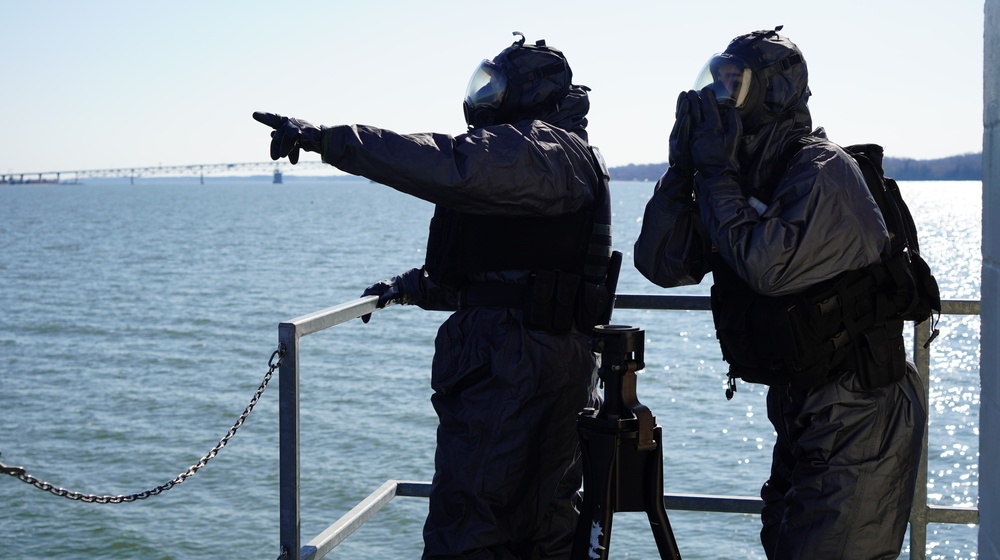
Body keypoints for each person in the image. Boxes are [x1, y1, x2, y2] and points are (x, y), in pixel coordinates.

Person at [254, 32, 614, 560]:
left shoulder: (540, 150)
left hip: (514, 367)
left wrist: (328, 139)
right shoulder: (550, 155)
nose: (483, 99)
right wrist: (409, 286)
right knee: (543, 526)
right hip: (544, 357)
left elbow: (446, 163)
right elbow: (507, 270)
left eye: (496, 88)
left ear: (528, 95)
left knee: (471, 526)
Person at [633, 27, 926, 559]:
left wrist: (717, 171)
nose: (720, 96)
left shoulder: (821, 170)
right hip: (802, 408)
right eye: (717, 82)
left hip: (860, 412)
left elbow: (765, 265)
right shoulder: (743, 178)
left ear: (772, 93)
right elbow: (661, 263)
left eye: (734, 84)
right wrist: (681, 172)